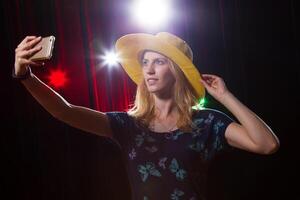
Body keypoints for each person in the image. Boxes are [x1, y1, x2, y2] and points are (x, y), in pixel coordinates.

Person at [13, 32, 280, 200]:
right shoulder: (128, 125)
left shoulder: (207, 122)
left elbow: (266, 144)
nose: (149, 70)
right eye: (145, 62)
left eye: (160, 62)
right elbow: (64, 111)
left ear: (177, 71)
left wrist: (225, 96)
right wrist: (26, 76)